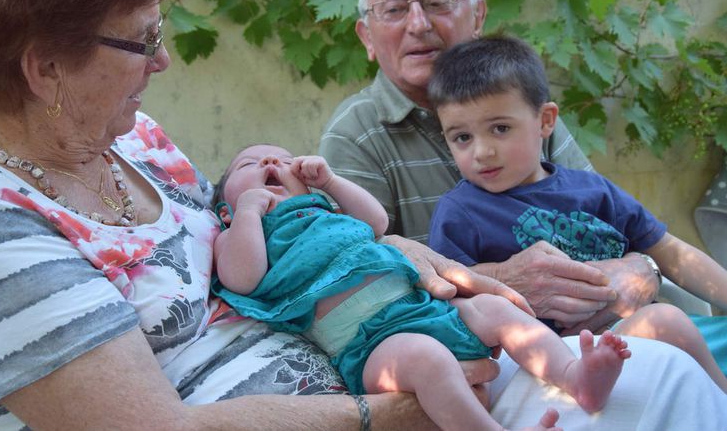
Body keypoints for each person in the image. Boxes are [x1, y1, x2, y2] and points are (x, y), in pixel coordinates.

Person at [0, 0, 725, 430]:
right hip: (372, 396)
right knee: (650, 392)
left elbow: (254, 239)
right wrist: (395, 409)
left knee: (658, 369)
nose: (164, 61)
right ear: (45, 71)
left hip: (391, 351)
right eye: (141, 42)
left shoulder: (127, 138)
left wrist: (393, 250)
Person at [318, 0, 691, 339]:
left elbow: (606, 218)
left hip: (614, 328)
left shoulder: (517, 102)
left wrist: (643, 268)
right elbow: (361, 286)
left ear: (477, 17)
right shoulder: (355, 136)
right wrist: (498, 279)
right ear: (367, 38)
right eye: (393, 10)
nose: (418, 24)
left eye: (438, 1)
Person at [212, 143, 635, 429]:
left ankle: (573, 375)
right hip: (371, 345)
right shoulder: (239, 234)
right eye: (249, 166)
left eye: (283, 159)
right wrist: (249, 212)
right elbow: (243, 277)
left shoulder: (324, 206)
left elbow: (376, 223)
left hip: (425, 307)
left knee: (499, 311)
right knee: (428, 360)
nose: (270, 165)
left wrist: (330, 183)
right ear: (223, 209)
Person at [427, 35, 727, 392]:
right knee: (667, 322)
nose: (482, 152)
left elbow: (671, 252)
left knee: (680, 327)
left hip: (628, 335)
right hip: (551, 360)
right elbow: (448, 297)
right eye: (462, 137)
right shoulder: (459, 213)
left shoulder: (592, 189)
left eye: (500, 128)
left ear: (545, 121)